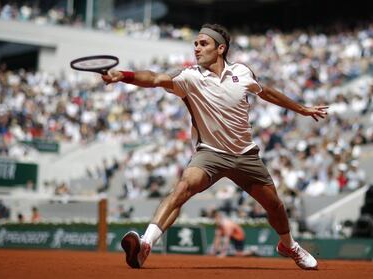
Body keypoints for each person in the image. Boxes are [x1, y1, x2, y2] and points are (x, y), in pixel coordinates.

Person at [102, 23, 327, 270]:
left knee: (275, 206)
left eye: (203, 43)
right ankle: (145, 244)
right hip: (210, 154)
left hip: (245, 155)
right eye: (195, 44)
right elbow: (155, 78)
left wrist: (302, 109)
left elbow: (266, 93)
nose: (197, 48)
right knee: (183, 188)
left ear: (220, 48)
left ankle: (289, 245)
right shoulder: (189, 77)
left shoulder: (242, 72)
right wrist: (124, 75)